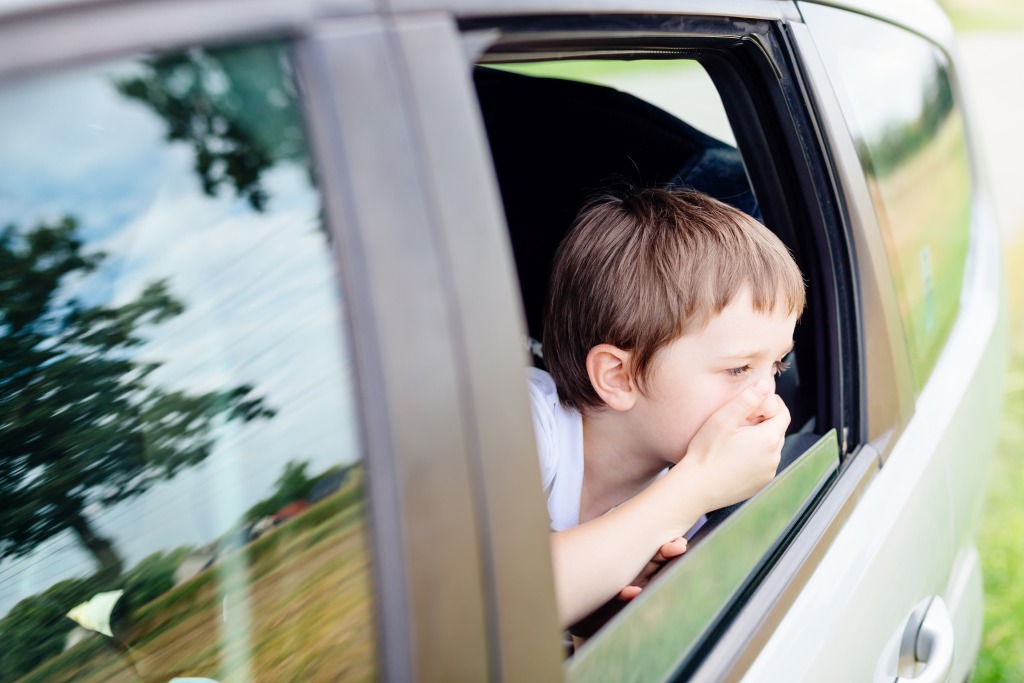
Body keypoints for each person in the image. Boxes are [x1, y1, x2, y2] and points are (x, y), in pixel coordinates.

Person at [528, 186, 805, 628]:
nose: (768, 401)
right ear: (620, 377)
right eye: (738, 369)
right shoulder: (524, 427)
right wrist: (697, 485)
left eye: (777, 365)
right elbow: (492, 608)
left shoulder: (684, 513)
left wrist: (596, 620)